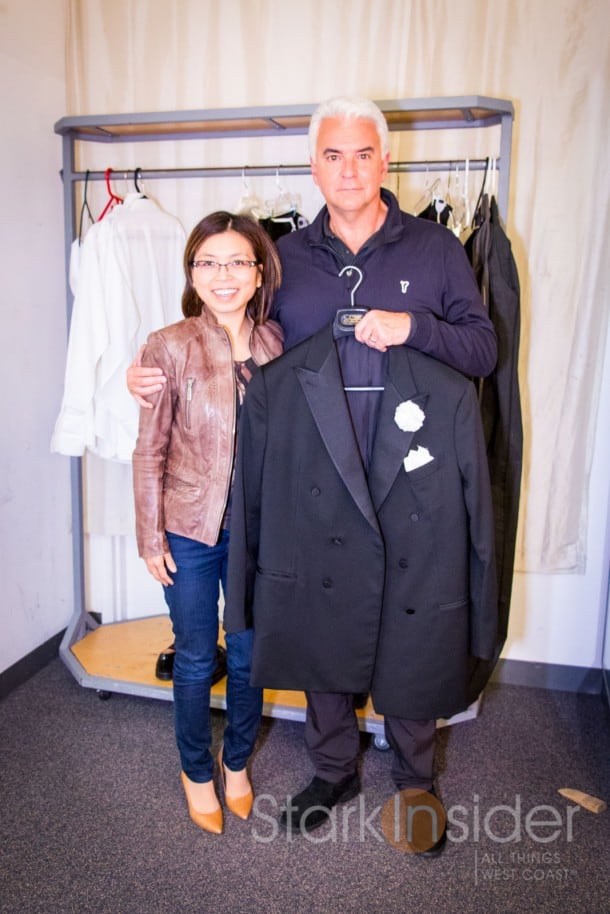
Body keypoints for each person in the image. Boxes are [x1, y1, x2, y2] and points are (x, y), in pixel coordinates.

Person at [127, 97, 497, 848]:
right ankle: (332, 767)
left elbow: (483, 350)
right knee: (326, 624)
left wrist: (415, 329)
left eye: (363, 153)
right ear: (313, 165)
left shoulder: (435, 249)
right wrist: (145, 374)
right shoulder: (284, 260)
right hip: (315, 481)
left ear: (385, 161)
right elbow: (231, 337)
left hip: (412, 483)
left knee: (412, 630)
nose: (349, 168)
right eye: (334, 155)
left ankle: (416, 781)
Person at [131, 211, 283, 835]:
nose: (223, 276)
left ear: (258, 271)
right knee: (196, 658)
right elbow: (150, 449)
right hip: (189, 531)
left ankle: (237, 761)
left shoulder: (276, 343)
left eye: (237, 262)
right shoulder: (168, 345)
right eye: (207, 263)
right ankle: (196, 771)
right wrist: (149, 535)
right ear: (192, 273)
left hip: (258, 533)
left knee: (249, 658)